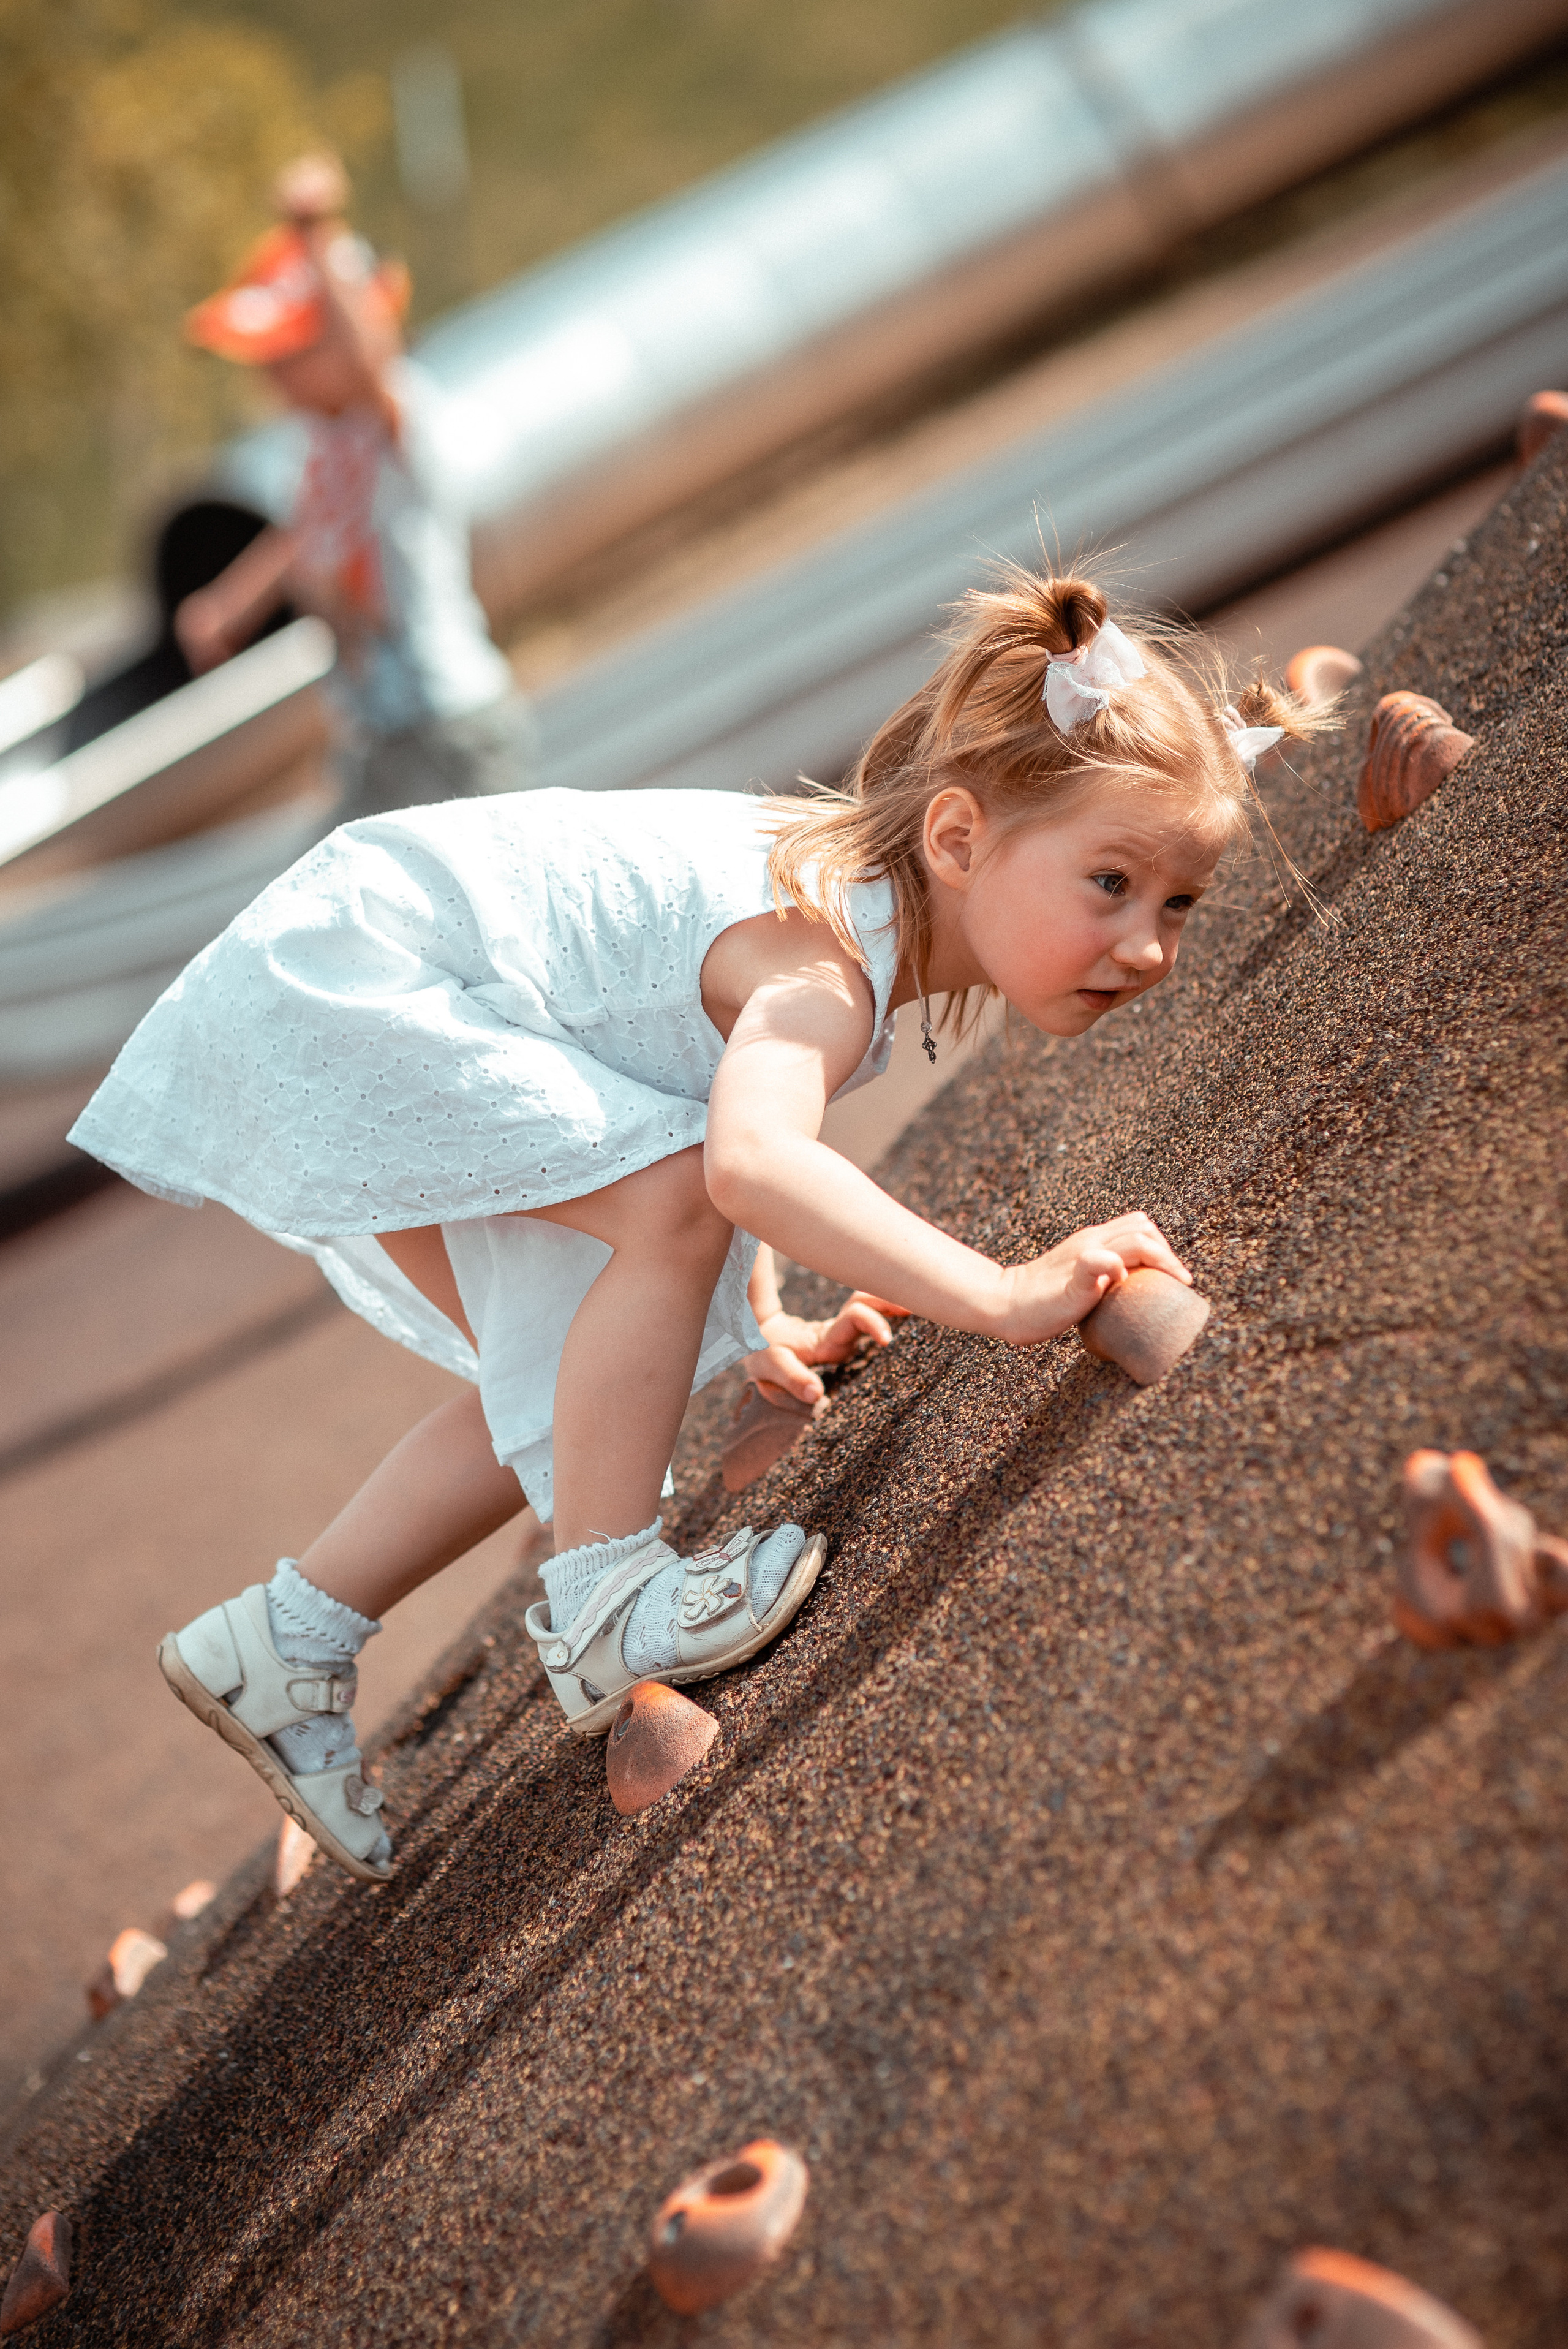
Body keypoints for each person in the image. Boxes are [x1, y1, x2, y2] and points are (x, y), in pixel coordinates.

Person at [70, 566, 1324, 1883]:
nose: (1146, 945)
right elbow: (747, 1160)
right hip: (359, 978)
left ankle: (286, 1642)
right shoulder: (824, 953)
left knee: (567, 1378)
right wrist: (1004, 1295)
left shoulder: (849, 918)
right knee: (669, 1200)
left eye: (1176, 903)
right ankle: (608, 1602)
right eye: (1111, 882)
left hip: (372, 969)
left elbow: (710, 1098)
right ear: (956, 841)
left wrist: (754, 1317)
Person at [175, 152, 529, 816]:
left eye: (289, 358)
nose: (271, 378)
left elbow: (369, 358)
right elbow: (303, 533)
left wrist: (315, 231)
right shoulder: (327, 444)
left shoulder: (396, 420)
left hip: (444, 721)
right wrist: (231, 603)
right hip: (378, 728)